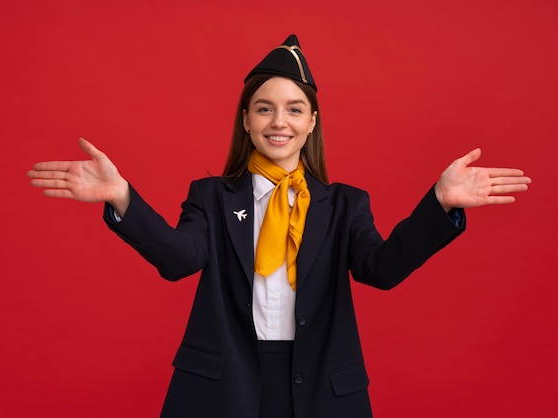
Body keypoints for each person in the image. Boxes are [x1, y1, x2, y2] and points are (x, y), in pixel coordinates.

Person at [27, 34, 531, 418]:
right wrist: (123, 197)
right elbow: (179, 260)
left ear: (312, 122)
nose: (278, 121)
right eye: (264, 108)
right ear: (245, 119)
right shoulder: (211, 197)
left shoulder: (344, 205)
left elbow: (381, 269)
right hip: (222, 383)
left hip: (321, 384)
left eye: (295, 109)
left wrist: (439, 203)